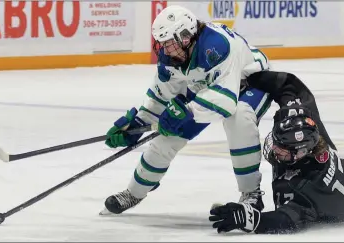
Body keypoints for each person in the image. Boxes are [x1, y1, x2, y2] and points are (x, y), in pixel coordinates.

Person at [100, 5, 273, 215]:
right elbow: (161, 96)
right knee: (166, 138)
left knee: (238, 118)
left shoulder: (217, 46)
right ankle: (134, 193)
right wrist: (138, 124)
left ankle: (251, 194)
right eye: (161, 43)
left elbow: (225, 102)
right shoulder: (173, 57)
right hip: (206, 86)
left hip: (250, 83)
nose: (164, 49)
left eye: (168, 43)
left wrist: (186, 112)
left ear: (185, 36)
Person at [208, 71, 344, 234]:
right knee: (335, 171)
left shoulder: (310, 187)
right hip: (326, 180)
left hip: (328, 207)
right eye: (277, 142)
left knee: (332, 195)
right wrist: (245, 77)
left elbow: (288, 219)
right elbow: (289, 86)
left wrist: (251, 220)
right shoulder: (304, 124)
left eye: (282, 148)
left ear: (300, 152)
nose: (274, 148)